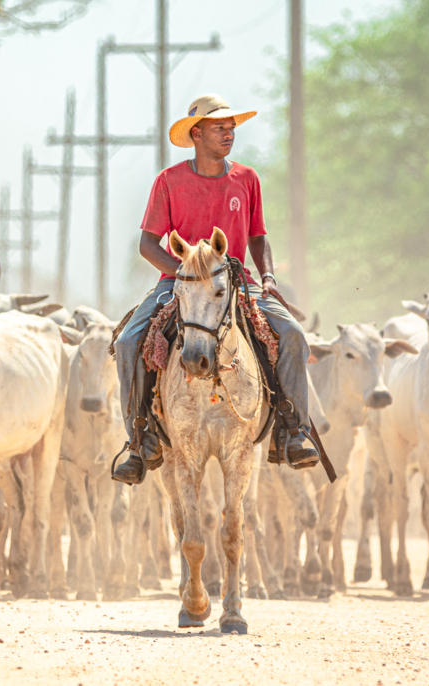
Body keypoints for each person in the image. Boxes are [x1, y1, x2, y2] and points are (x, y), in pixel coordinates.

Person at [111, 94, 316, 485]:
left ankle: (294, 430)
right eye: (219, 128)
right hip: (178, 282)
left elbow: (258, 238)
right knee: (126, 343)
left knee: (292, 334)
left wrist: (268, 277)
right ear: (197, 133)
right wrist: (188, 277)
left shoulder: (247, 178)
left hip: (237, 281)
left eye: (231, 127)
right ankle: (139, 440)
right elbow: (148, 244)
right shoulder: (168, 182)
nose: (228, 134)